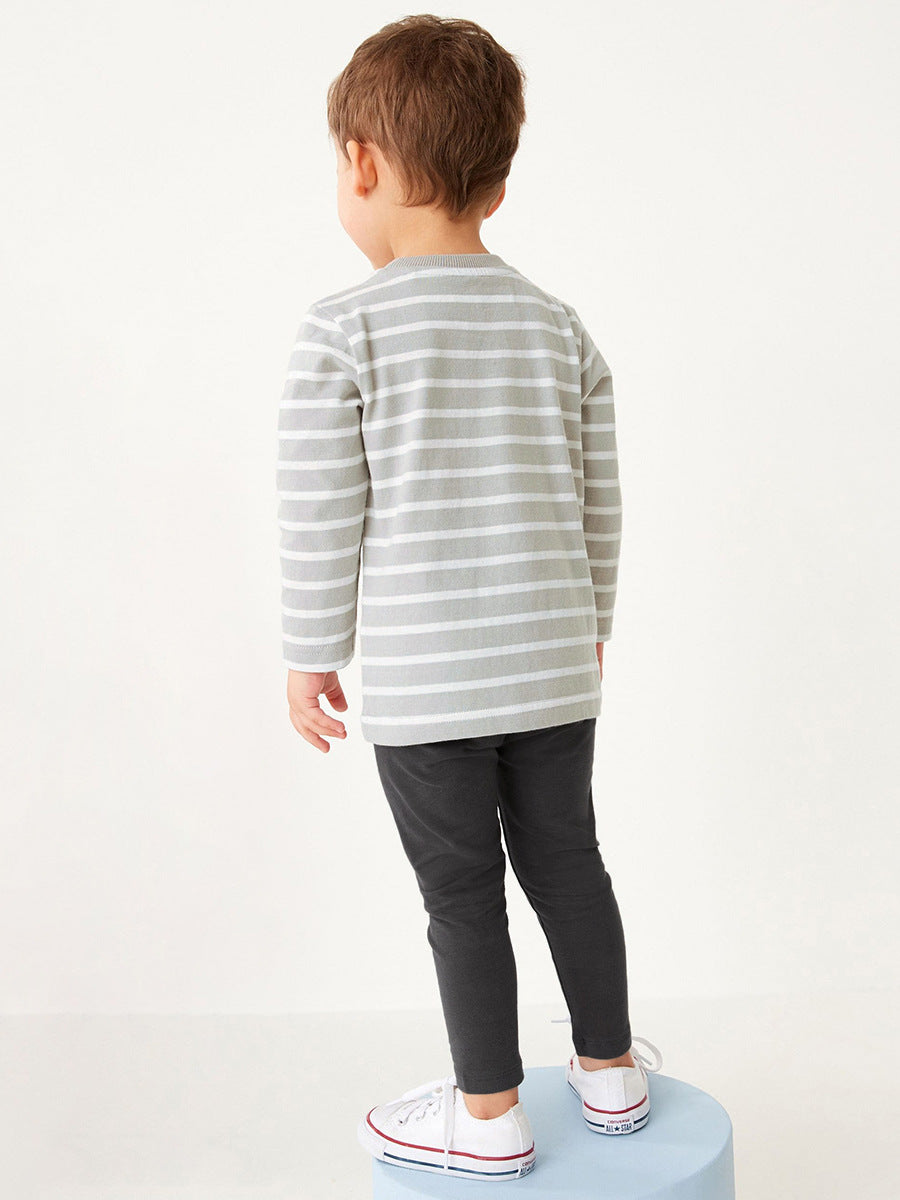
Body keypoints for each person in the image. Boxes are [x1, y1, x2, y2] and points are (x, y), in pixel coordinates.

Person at [275, 13, 661, 1183]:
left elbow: (319, 513)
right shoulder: (557, 326)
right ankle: (611, 1075)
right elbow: (600, 501)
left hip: (430, 688)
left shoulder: (343, 331)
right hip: (551, 672)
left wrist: (310, 653)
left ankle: (489, 1116)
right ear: (496, 183)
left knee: (461, 896)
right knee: (571, 865)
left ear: (361, 164)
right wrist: (591, 626)